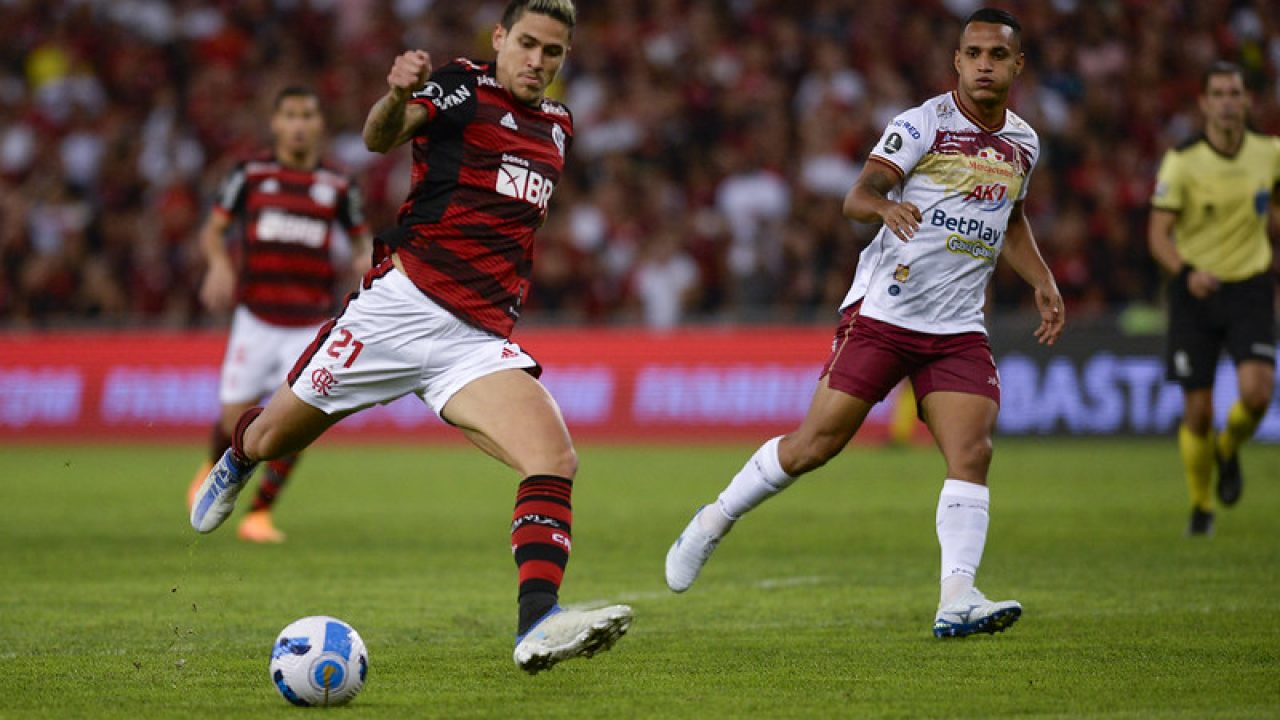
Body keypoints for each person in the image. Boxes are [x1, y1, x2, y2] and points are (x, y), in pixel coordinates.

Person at [189, 0, 632, 674]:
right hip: (398, 311)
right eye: (528, 45)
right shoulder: (463, 86)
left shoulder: (561, 128)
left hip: (476, 338)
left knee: (554, 459)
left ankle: (538, 623)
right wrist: (396, 95)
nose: (538, 61)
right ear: (499, 40)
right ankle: (240, 456)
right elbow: (379, 137)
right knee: (271, 436)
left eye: (553, 53)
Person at [665, 8, 1064, 639]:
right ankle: (714, 519)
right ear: (957, 62)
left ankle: (957, 598)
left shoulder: (1024, 143)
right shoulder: (922, 125)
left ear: (1018, 66)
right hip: (885, 312)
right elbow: (858, 196)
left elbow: (1011, 221)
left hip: (957, 326)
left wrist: (1041, 279)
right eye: (974, 53)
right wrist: (885, 207)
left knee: (973, 451)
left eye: (998, 55)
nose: (985, 64)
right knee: (813, 447)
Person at [187, 86, 372, 544]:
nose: (299, 124)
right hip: (257, 318)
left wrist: (364, 261)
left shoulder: (338, 185)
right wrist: (219, 263)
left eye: (307, 114)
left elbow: (362, 239)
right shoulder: (250, 174)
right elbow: (213, 231)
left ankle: (259, 514)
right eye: (290, 115)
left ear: (319, 124)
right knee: (234, 421)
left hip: (309, 323)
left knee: (294, 423)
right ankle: (212, 472)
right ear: (275, 124)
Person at [1148, 61, 1280, 537]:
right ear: (1204, 103)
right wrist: (1186, 271)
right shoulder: (1182, 161)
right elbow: (1157, 235)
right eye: (1218, 93)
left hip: (1249, 286)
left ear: (1246, 101)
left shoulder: (1270, 153)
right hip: (1195, 292)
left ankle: (1229, 449)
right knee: (1198, 411)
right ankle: (1202, 507)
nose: (1227, 101)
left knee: (1257, 394)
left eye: (1235, 93)